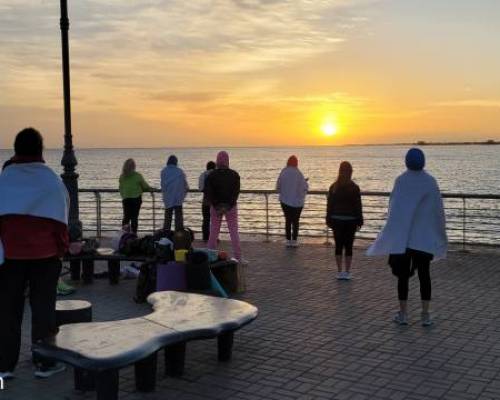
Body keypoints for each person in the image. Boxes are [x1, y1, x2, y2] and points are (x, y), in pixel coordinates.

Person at [0, 128, 69, 379]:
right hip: (45, 257)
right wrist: (61, 251)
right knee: (43, 309)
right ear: (41, 149)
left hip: (9, 258)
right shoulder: (51, 181)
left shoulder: (4, 179)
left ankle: (5, 366)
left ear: (15, 150)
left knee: (8, 311)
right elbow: (61, 223)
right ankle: (44, 363)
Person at [367, 148, 447, 327]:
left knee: (402, 277)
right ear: (423, 161)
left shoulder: (401, 181)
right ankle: (425, 315)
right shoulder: (430, 182)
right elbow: (438, 211)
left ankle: (403, 314)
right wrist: (439, 234)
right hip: (424, 239)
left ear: (407, 161)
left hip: (405, 239)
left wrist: (391, 234)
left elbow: (394, 209)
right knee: (425, 276)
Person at [326, 161, 363, 280]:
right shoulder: (355, 187)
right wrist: (360, 220)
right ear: (351, 172)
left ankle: (339, 271)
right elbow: (358, 206)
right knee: (348, 246)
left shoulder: (333, 187)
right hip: (351, 220)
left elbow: (329, 205)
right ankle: (347, 272)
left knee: (338, 246)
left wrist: (328, 218)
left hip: (336, 219)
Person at [206, 151, 243, 261]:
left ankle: (210, 256)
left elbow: (208, 192)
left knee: (213, 233)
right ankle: (238, 257)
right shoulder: (234, 175)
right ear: (227, 160)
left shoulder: (211, 175)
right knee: (234, 232)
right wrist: (229, 205)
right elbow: (236, 192)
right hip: (230, 208)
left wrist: (216, 205)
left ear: (217, 160)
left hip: (216, 208)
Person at [276, 155, 308, 247]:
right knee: (295, 221)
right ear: (296, 163)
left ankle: (288, 240)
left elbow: (278, 187)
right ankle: (294, 241)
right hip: (297, 203)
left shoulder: (283, 172)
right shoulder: (299, 173)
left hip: (285, 201)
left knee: (288, 220)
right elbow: (304, 187)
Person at [119, 158, 150, 233]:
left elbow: (120, 188)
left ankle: (124, 235)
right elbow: (145, 187)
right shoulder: (137, 176)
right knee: (134, 218)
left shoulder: (122, 176)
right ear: (134, 166)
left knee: (126, 217)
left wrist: (124, 195)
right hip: (136, 199)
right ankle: (134, 235)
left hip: (126, 198)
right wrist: (151, 189)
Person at [161, 155, 189, 231]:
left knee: (167, 218)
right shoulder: (179, 171)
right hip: (178, 197)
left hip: (168, 197)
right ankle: (179, 235)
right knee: (179, 218)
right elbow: (185, 184)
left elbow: (163, 185)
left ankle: (166, 234)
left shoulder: (164, 171)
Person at [198, 161, 216, 241]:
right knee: (215, 221)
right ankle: (213, 238)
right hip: (215, 201)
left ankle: (205, 237)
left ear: (207, 167)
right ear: (214, 167)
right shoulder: (216, 174)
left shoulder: (203, 175)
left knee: (206, 219)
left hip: (206, 201)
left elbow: (200, 188)